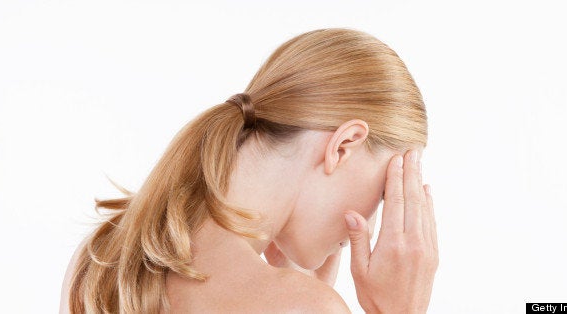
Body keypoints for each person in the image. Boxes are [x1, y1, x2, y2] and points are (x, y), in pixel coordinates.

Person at [59, 27, 438, 313]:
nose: (373, 226)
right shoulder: (299, 307)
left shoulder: (100, 257)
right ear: (342, 146)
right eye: (387, 191)